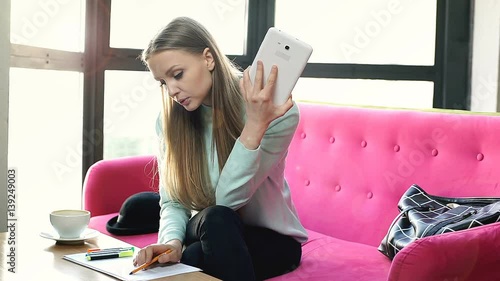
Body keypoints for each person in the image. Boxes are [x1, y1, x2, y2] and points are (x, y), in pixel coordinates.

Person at [133, 16, 308, 281]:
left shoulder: (277, 114)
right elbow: (173, 200)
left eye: (177, 75)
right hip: (209, 228)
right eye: (163, 82)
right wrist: (172, 243)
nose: (171, 90)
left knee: (200, 246)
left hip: (271, 239)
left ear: (208, 58)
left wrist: (255, 125)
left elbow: (228, 201)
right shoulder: (169, 121)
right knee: (203, 235)